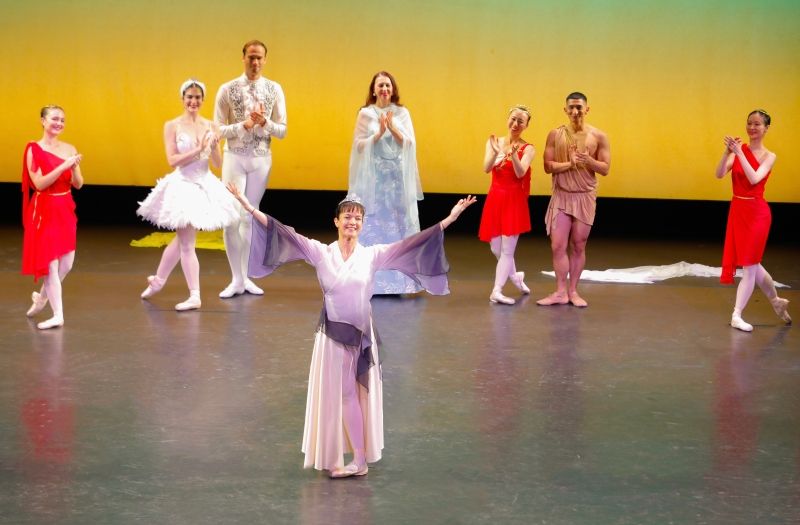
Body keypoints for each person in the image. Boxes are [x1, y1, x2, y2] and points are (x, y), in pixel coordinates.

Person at [227, 182, 475, 478]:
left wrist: (448, 219)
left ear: (362, 224)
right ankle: (350, 458)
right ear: (336, 221)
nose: (352, 222)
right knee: (340, 395)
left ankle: (358, 459)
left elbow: (411, 245)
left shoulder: (372, 255)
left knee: (349, 395)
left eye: (357, 218)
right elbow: (282, 232)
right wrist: (248, 205)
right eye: (347, 217)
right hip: (332, 334)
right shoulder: (321, 253)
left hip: (359, 334)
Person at [137, 79, 239, 311]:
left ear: (203, 100)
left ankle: (162, 282)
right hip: (183, 184)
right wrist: (198, 149)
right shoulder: (171, 125)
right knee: (185, 241)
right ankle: (189, 292)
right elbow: (172, 160)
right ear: (183, 99)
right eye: (189, 97)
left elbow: (216, 162)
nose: (193, 101)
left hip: (203, 183)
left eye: (198, 97)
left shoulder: (211, 126)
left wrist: (212, 147)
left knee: (184, 239)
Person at [214, 39, 287, 299]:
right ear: (243, 58)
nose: (255, 62)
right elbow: (217, 129)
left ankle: (245, 277)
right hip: (234, 158)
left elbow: (283, 130)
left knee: (249, 217)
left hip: (261, 160)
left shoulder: (274, 89)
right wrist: (242, 126)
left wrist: (265, 122)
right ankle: (235, 279)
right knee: (231, 219)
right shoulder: (227, 89)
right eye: (251, 57)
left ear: (265, 60)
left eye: (259, 58)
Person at [348, 71, 423, 294]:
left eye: (388, 86)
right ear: (373, 89)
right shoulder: (365, 114)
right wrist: (379, 133)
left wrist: (392, 129)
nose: (385, 90)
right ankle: (370, 282)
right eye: (381, 85)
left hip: (396, 181)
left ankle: (400, 283)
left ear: (393, 89)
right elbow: (358, 146)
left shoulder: (402, 113)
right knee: (373, 224)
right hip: (374, 182)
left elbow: (409, 144)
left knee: (398, 226)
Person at [715, 109, 791, 331]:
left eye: (758, 124)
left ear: (766, 128)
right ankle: (776, 302)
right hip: (738, 210)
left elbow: (755, 177)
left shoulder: (770, 156)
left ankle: (736, 314)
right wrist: (726, 152)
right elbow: (719, 174)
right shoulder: (740, 150)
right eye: (750, 123)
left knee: (749, 266)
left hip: (757, 213)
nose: (752, 127)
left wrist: (738, 153)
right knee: (754, 264)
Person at [537, 92, 610, 308]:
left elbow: (605, 169)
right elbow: (547, 166)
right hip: (561, 196)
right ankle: (560, 291)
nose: (575, 111)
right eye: (571, 107)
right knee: (558, 245)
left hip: (584, 197)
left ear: (587, 109)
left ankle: (573, 291)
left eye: (579, 107)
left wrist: (589, 161)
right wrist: (569, 164)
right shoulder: (555, 134)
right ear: (565, 110)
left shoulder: (599, 136)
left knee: (578, 245)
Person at [21, 105, 84, 330]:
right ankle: (58, 315)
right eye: (55, 119)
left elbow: (78, 183)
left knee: (66, 264)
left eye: (62, 120)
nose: (59, 123)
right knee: (50, 264)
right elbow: (38, 183)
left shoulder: (69, 148)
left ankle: (42, 299)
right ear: (43, 121)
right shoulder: (33, 149)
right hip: (44, 209)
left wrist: (74, 167)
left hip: (65, 208)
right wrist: (63, 167)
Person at [478, 105, 536, 305]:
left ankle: (497, 290)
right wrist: (496, 153)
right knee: (496, 249)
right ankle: (516, 278)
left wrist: (513, 155)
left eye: (521, 121)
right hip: (495, 199)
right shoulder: (494, 142)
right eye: (513, 119)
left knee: (507, 251)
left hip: (513, 201)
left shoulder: (528, 148)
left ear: (526, 125)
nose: (516, 124)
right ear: (507, 119)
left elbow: (520, 173)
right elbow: (486, 168)